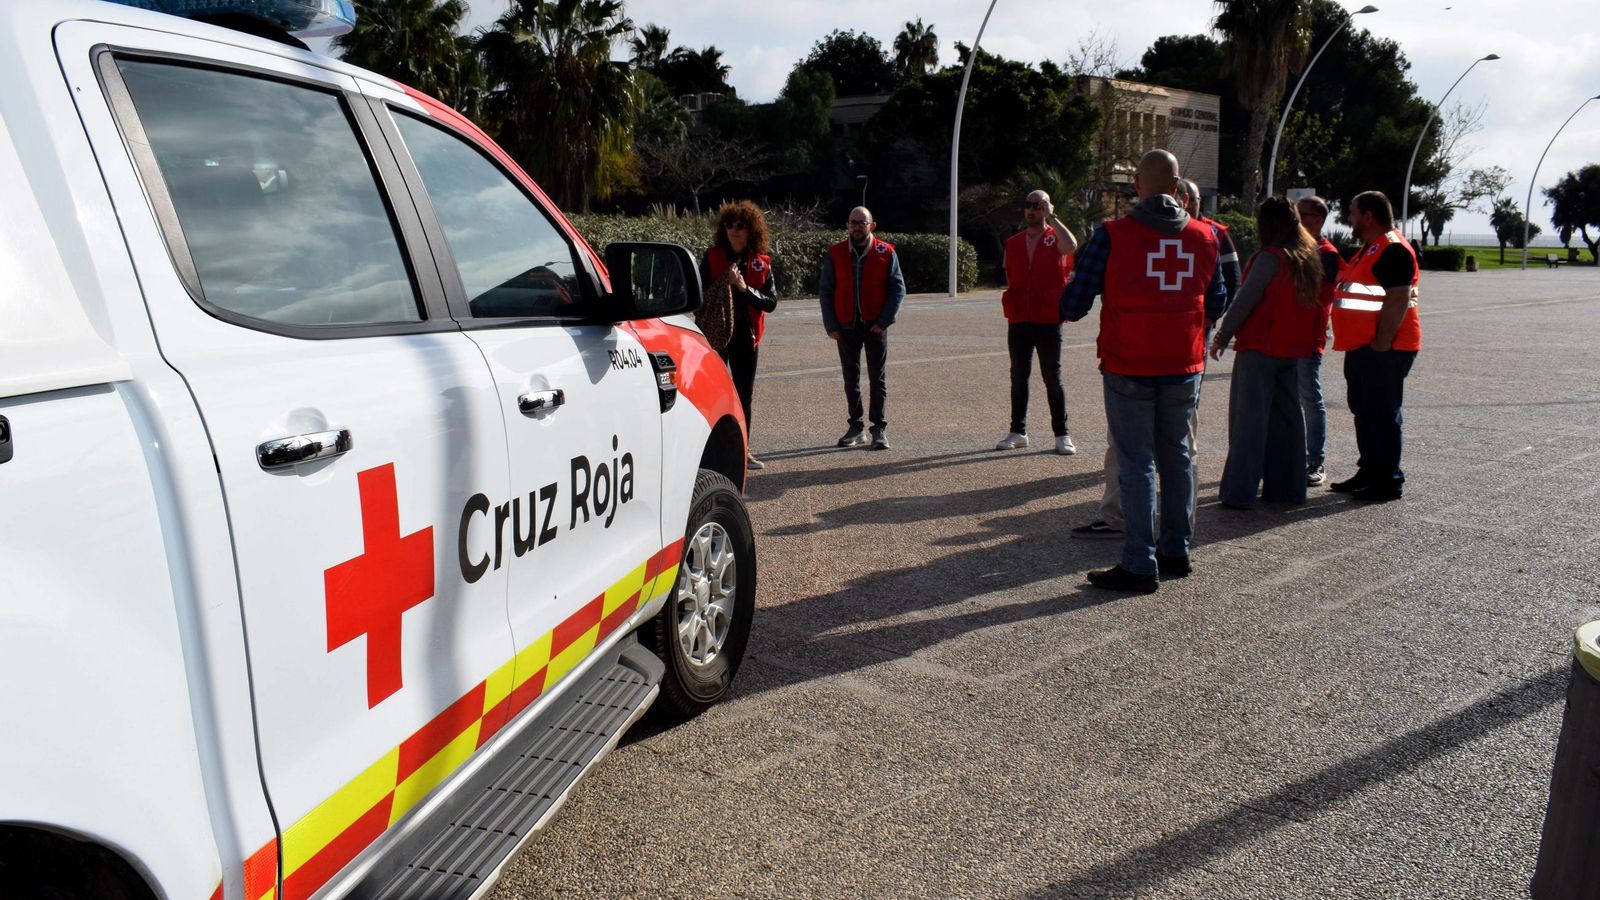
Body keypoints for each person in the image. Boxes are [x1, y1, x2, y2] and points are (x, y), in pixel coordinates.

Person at [1060, 150, 1226, 593]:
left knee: (1136, 465)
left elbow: (1073, 306)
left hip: (1129, 363)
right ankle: (1177, 549)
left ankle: (1138, 562)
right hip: (1184, 364)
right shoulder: (1206, 237)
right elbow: (1218, 302)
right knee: (1177, 457)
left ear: (1138, 186)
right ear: (1177, 188)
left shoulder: (1112, 235)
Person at [1208, 197, 1328, 508]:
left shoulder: (1269, 257)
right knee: (1287, 423)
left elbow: (1245, 300)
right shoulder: (1307, 256)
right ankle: (1288, 489)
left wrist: (1222, 336)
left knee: (1249, 422)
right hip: (1292, 349)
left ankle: (1239, 492)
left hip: (1260, 347)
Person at [1329, 190, 1420, 502]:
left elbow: (1398, 297)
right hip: (1362, 346)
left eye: (1353, 212)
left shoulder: (1393, 249)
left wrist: (1382, 341)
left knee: (1382, 413)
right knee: (1364, 411)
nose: (1349, 219)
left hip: (1385, 348)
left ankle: (1388, 480)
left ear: (1368, 216)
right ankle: (1369, 470)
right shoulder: (1369, 248)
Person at [996, 189, 1079, 455]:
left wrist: (1053, 217)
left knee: (1052, 377)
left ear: (1046, 208)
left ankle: (1061, 434)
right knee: (1018, 376)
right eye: (1028, 205)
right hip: (1020, 317)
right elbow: (1011, 277)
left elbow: (1072, 246)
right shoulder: (1014, 242)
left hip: (1048, 317)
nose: (1032, 210)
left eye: (1038, 205)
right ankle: (1017, 431)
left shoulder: (1056, 238)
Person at [820, 206, 906, 451]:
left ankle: (879, 428)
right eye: (853, 222)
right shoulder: (835, 253)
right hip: (845, 326)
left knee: (877, 379)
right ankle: (856, 426)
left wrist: (884, 321)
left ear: (872, 225)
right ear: (847, 225)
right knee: (851, 378)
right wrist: (831, 324)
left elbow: (897, 289)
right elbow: (826, 291)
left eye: (862, 222)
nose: (857, 226)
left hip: (875, 326)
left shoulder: (886, 252)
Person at [702, 201, 778, 470]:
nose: (734, 230)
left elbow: (771, 302)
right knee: (713, 393)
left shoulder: (761, 263)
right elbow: (698, 293)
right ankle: (712, 450)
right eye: (729, 225)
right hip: (718, 334)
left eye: (740, 226)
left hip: (746, 336)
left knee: (744, 395)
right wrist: (722, 283)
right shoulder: (712, 257)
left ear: (750, 230)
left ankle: (743, 451)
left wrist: (744, 288)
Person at [1295, 195, 1341, 486]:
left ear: (1318, 219)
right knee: (1291, 400)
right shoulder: (1297, 248)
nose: (1296, 218)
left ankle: (1315, 461)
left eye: (1302, 213)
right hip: (1286, 339)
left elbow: (1318, 297)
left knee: (1311, 400)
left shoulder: (1326, 253)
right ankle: (1291, 456)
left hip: (1307, 338)